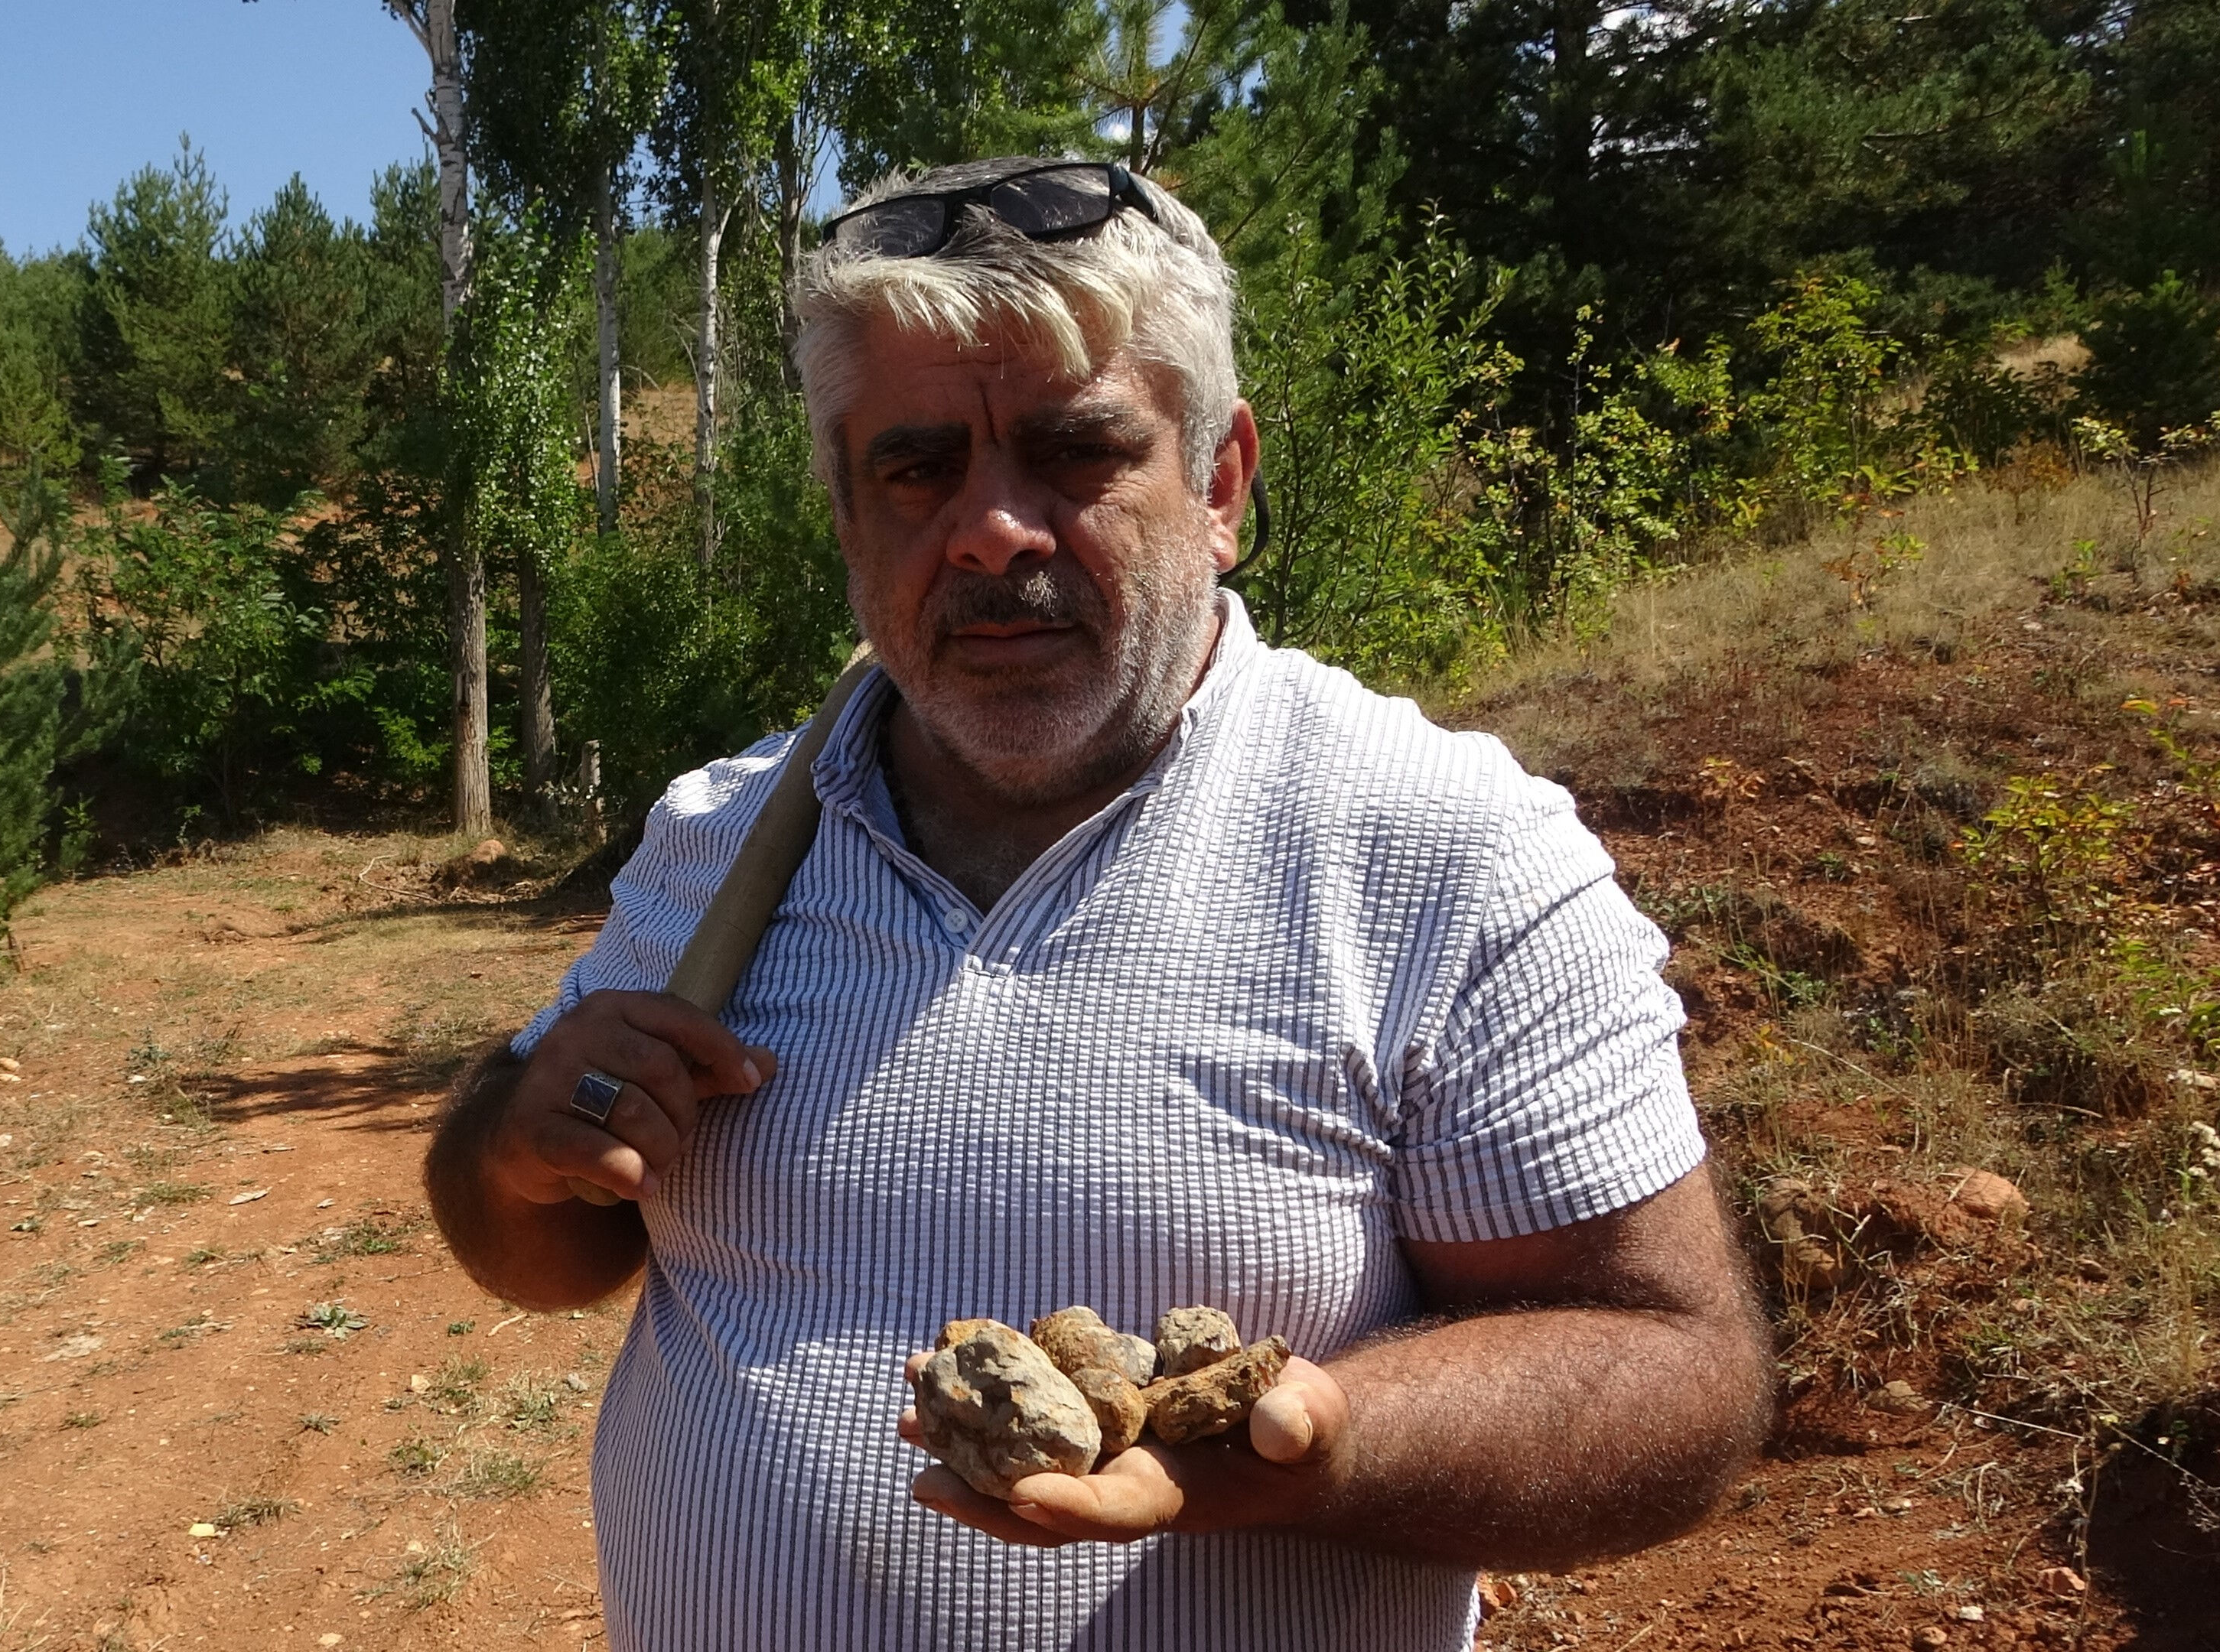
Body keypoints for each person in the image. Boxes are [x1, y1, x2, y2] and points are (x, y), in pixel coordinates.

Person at [424, 156, 1772, 1650]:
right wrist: (511, 1154)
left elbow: (1677, 1376)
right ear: (847, 517)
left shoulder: (1445, 855)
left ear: (1222, 484)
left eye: (1075, 452)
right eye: (919, 467)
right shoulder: (717, 838)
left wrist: (1304, 1442)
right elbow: (543, 1245)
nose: (993, 530)